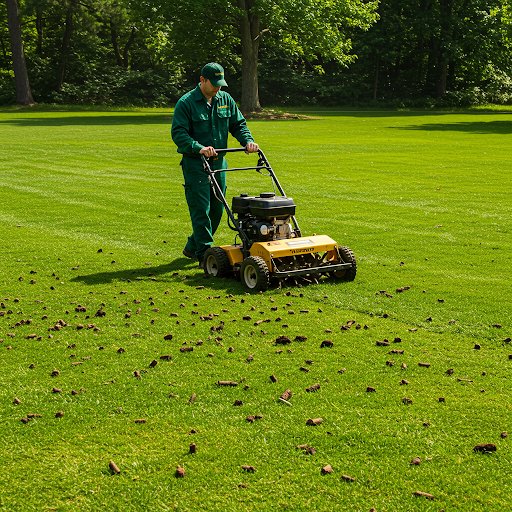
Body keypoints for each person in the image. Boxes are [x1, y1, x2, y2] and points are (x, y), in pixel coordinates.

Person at [171, 62, 259, 265]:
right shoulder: (186, 103)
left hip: (219, 163)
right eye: (214, 83)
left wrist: (248, 141)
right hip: (196, 164)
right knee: (201, 209)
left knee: (218, 209)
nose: (218, 88)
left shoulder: (225, 99)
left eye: (221, 83)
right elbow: (179, 133)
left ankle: (193, 245)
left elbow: (238, 124)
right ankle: (204, 254)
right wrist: (198, 147)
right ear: (202, 80)